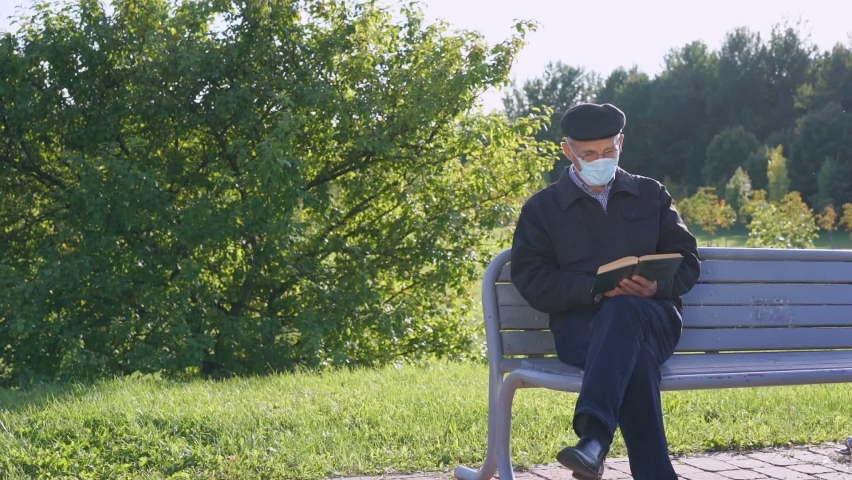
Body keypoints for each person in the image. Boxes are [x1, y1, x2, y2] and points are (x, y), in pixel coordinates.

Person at [509, 103, 701, 480]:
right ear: (569, 151)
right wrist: (593, 289)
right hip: (582, 330)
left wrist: (657, 285)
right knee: (635, 356)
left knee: (626, 312)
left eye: (609, 151)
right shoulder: (542, 209)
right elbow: (531, 278)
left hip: (653, 319)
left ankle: (594, 440)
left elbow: (688, 259)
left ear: (621, 143)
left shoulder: (651, 194)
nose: (601, 160)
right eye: (590, 154)